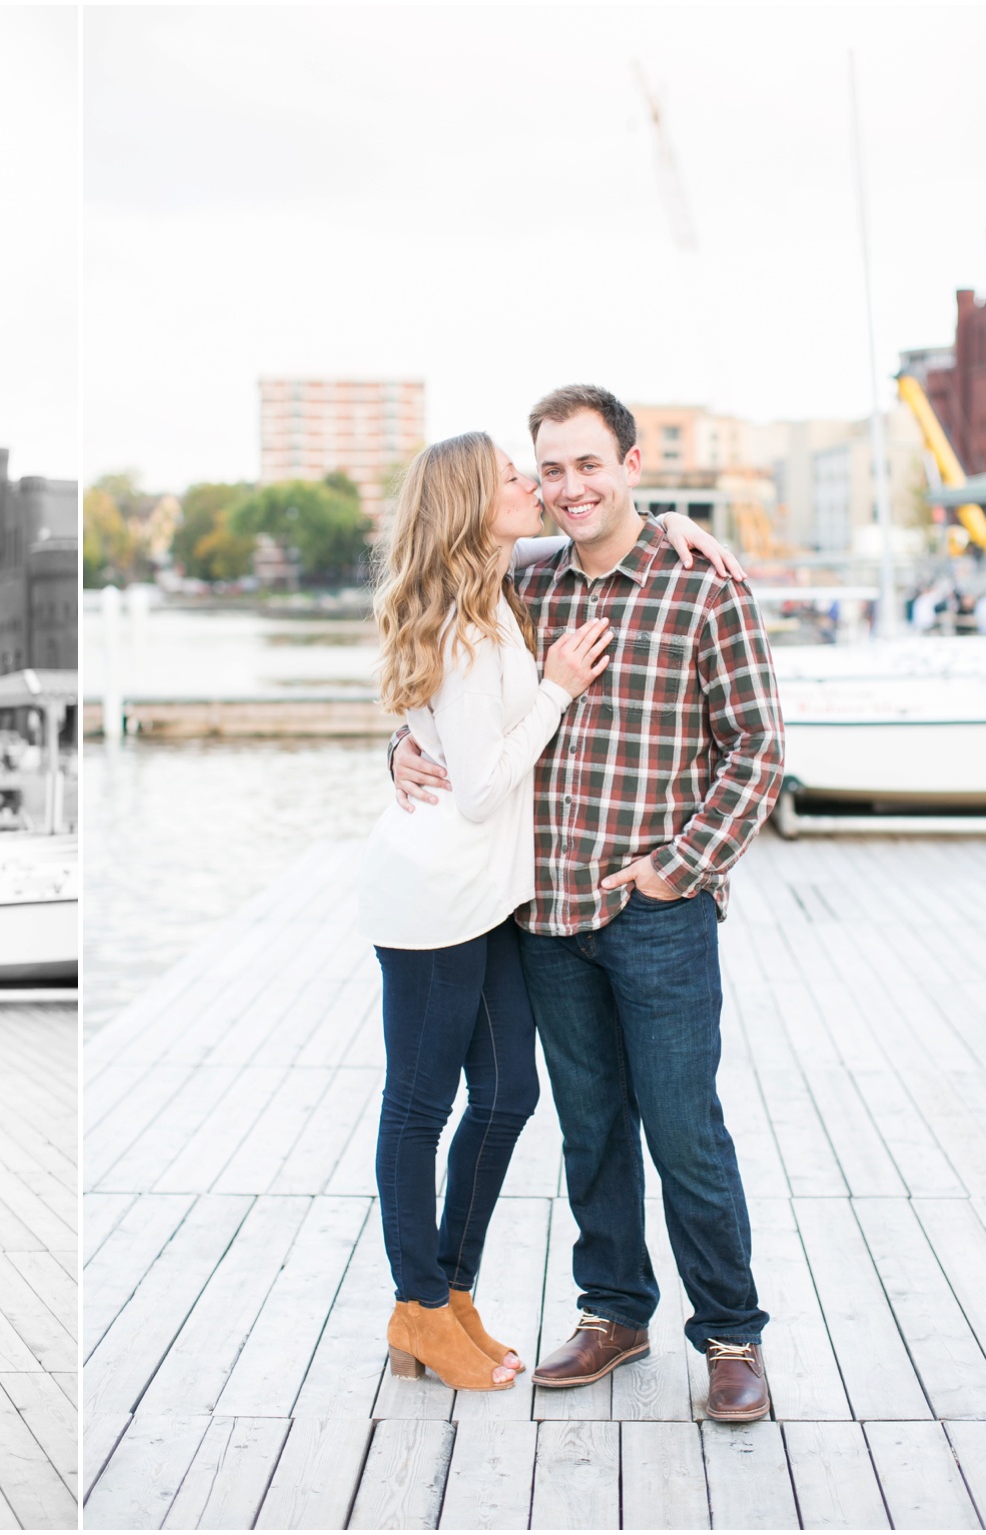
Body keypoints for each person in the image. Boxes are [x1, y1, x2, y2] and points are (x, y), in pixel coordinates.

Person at [392, 384, 784, 1422]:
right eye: (548, 467)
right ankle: (613, 1312)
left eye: (585, 465)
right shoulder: (525, 588)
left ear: (630, 463)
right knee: (590, 1131)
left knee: (682, 1127)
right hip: (545, 919)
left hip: (656, 913)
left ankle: (731, 1336)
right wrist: (400, 744)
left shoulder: (702, 586)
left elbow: (756, 748)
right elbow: (431, 650)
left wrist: (680, 864)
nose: (566, 487)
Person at [360, 432, 615, 1391]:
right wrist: (557, 688)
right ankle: (417, 1307)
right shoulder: (471, 632)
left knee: (509, 1092)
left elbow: (598, 533)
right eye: (516, 475)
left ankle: (450, 1294)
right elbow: (477, 789)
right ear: (474, 501)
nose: (535, 485)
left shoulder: (495, 599)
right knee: (419, 1108)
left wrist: (667, 518)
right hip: (433, 900)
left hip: (485, 898)